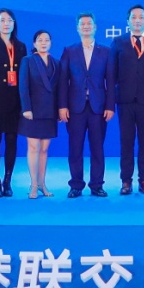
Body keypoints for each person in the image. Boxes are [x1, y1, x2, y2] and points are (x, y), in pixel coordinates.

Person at [59, 14, 115, 198]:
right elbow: (63, 81)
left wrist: (110, 106)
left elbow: (110, 80)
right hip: (75, 107)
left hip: (98, 108)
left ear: (95, 27)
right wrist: (62, 106)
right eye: (82, 24)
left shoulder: (105, 51)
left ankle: (97, 185)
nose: (86, 26)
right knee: (75, 148)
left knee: (97, 148)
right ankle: (76, 185)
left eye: (89, 23)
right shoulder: (69, 50)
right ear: (77, 28)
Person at [111, 4, 144, 195]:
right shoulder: (118, 42)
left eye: (141, 17)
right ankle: (126, 181)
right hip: (125, 101)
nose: (137, 20)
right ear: (128, 21)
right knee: (126, 142)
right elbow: (112, 74)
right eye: (134, 17)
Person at [0, 9, 26, 198]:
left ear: (14, 24)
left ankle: (8, 180)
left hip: (15, 100)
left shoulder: (21, 46)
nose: (6, 23)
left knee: (11, 139)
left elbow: (24, 76)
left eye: (10, 20)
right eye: (2, 20)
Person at [20, 30, 60, 199]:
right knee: (34, 147)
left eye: (47, 40)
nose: (43, 43)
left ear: (50, 43)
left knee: (44, 149)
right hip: (33, 111)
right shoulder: (28, 61)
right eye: (40, 40)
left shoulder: (56, 62)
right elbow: (23, 86)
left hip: (50, 111)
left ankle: (43, 184)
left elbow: (59, 89)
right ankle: (33, 185)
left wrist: (59, 109)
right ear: (34, 43)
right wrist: (26, 108)